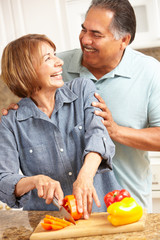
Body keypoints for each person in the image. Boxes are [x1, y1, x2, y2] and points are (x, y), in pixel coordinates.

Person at [2, 0, 160, 212]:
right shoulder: (62, 67)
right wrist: (14, 112)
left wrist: (114, 131)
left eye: (96, 34)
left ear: (123, 40)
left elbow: (98, 134)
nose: (85, 39)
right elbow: (28, 82)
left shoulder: (149, 72)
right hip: (57, 215)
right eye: (83, 29)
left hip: (124, 199)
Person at [0, 34, 121, 219]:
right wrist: (34, 181)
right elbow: (4, 180)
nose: (59, 62)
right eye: (48, 58)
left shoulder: (82, 89)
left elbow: (98, 133)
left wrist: (85, 177)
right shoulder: (10, 122)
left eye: (55, 54)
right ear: (26, 70)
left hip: (105, 214)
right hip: (49, 223)